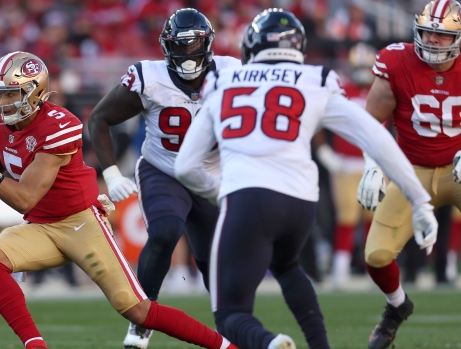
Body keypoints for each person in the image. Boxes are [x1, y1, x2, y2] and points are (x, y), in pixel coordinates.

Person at [173, 8, 438, 349]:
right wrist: (419, 200)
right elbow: (376, 136)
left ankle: (270, 344)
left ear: (251, 46)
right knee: (287, 265)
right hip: (299, 203)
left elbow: (185, 167)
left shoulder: (223, 81)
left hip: (249, 197)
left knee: (230, 313)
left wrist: (221, 192)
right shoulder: (316, 79)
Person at [0, 51, 237, 349]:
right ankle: (35, 346)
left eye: (10, 94)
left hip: (80, 223)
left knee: (138, 310)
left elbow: (25, 198)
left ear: (34, 93)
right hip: (41, 226)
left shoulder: (60, 126)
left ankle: (227, 347)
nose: (2, 103)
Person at [87, 8, 241, 348]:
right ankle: (142, 319)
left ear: (208, 44)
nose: (188, 53)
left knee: (213, 257)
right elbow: (98, 118)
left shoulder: (232, 72)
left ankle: (231, 324)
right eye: (180, 45)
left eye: (194, 44)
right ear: (166, 47)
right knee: (165, 231)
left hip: (209, 175)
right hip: (164, 169)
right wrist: (111, 174)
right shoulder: (150, 77)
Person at [356, 1, 461, 348]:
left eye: (442, 36)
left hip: (458, 168)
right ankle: (397, 307)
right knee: (376, 256)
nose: (432, 41)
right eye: (428, 32)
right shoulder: (397, 61)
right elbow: (370, 124)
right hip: (410, 170)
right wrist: (372, 165)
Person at [313, 42, 378, 287]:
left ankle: (376, 269)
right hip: (346, 165)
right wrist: (326, 153)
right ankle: (341, 268)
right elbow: (317, 122)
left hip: (373, 163)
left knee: (374, 218)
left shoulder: (379, 90)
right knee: (347, 217)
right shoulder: (342, 90)